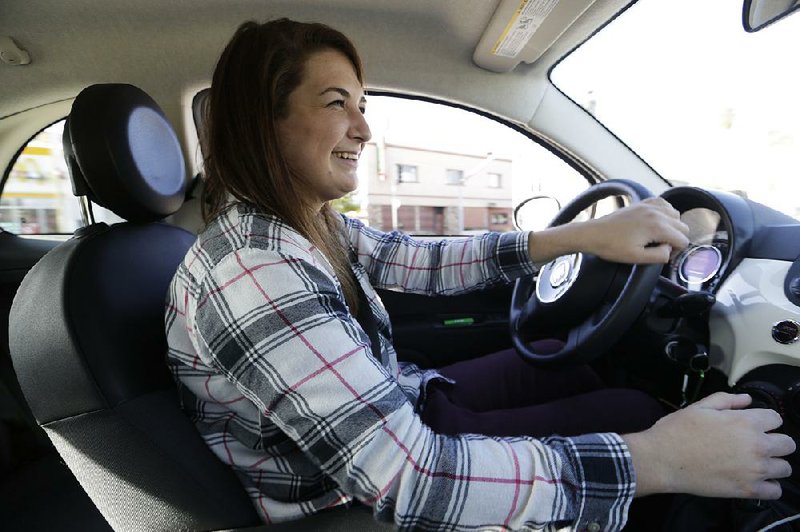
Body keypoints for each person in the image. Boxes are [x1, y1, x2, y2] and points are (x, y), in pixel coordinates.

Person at [165, 18, 795, 530]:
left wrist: (578, 237)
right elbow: (412, 479)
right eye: (337, 104)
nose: (364, 127)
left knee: (560, 354)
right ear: (261, 122)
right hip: (344, 501)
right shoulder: (252, 270)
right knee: (633, 411)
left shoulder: (303, 225)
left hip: (400, 400)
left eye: (363, 105)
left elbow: (416, 260)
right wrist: (658, 461)